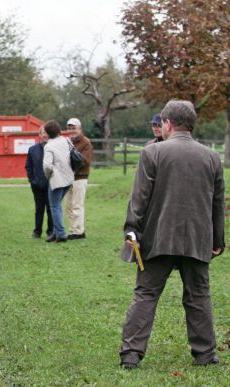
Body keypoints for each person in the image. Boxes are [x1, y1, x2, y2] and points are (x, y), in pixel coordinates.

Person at [119, 100, 225, 369]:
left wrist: (132, 231)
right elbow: (217, 203)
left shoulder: (152, 153)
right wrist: (218, 240)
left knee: (145, 294)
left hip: (158, 239)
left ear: (167, 123)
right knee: (198, 296)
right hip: (198, 240)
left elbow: (139, 200)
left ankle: (131, 355)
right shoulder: (212, 156)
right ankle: (205, 354)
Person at [42, 120, 74, 243]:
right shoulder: (66, 140)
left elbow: (47, 166)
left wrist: (48, 176)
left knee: (54, 207)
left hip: (57, 180)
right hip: (69, 177)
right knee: (57, 206)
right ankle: (55, 233)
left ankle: (60, 234)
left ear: (48, 133)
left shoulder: (49, 146)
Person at [64, 118, 93, 240]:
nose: (72, 130)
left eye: (74, 128)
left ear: (80, 129)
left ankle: (79, 231)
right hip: (68, 178)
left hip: (80, 177)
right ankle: (73, 230)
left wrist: (74, 156)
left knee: (77, 205)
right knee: (68, 206)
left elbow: (86, 161)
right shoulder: (66, 142)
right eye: (70, 128)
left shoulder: (86, 142)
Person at [25, 126, 53, 239]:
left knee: (51, 209)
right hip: (37, 185)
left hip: (51, 185)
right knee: (39, 209)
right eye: (42, 133)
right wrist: (32, 180)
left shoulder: (53, 148)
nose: (45, 135)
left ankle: (51, 231)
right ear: (39, 135)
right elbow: (28, 166)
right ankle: (37, 232)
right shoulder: (32, 149)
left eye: (47, 133)